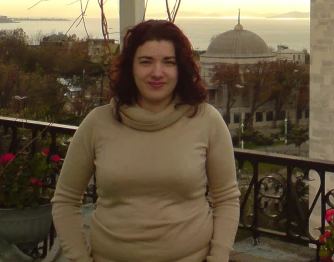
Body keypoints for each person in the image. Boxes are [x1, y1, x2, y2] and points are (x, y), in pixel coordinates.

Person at [52, 20, 240, 262]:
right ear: (131, 67)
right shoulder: (98, 123)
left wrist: (219, 257)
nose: (157, 73)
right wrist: (79, 258)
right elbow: (66, 199)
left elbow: (226, 198)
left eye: (168, 62)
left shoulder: (206, 120)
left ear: (180, 68)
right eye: (146, 62)